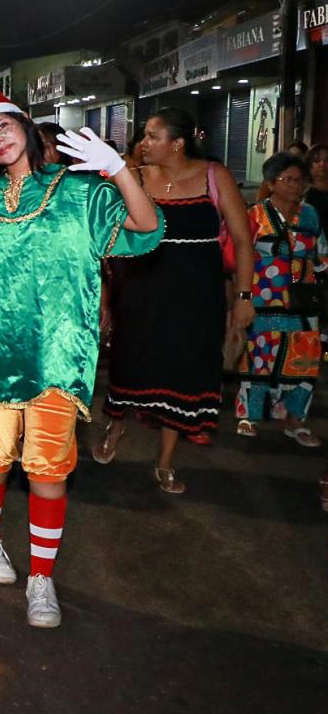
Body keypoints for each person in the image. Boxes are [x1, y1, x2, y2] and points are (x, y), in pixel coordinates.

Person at [0, 84, 162, 628]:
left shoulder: (78, 192)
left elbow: (146, 227)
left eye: (3, 126)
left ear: (24, 125)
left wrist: (117, 169)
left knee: (47, 468)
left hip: (57, 354)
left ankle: (41, 579)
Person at [100, 108, 254, 492]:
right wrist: (104, 295)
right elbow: (108, 235)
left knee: (182, 371)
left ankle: (165, 460)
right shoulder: (133, 176)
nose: (143, 143)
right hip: (139, 292)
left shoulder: (214, 176)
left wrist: (243, 296)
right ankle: (116, 424)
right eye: (144, 135)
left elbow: (242, 240)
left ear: (178, 143)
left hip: (196, 297)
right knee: (129, 363)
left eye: (153, 136)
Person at [235, 152, 325, 447]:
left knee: (304, 360)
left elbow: (321, 254)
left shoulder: (310, 215)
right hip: (264, 299)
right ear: (272, 183)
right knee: (260, 356)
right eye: (288, 179)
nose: (295, 185)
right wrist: (241, 297)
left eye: (300, 180)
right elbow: (240, 256)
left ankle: (295, 419)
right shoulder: (255, 215)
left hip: (303, 301)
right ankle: (249, 414)